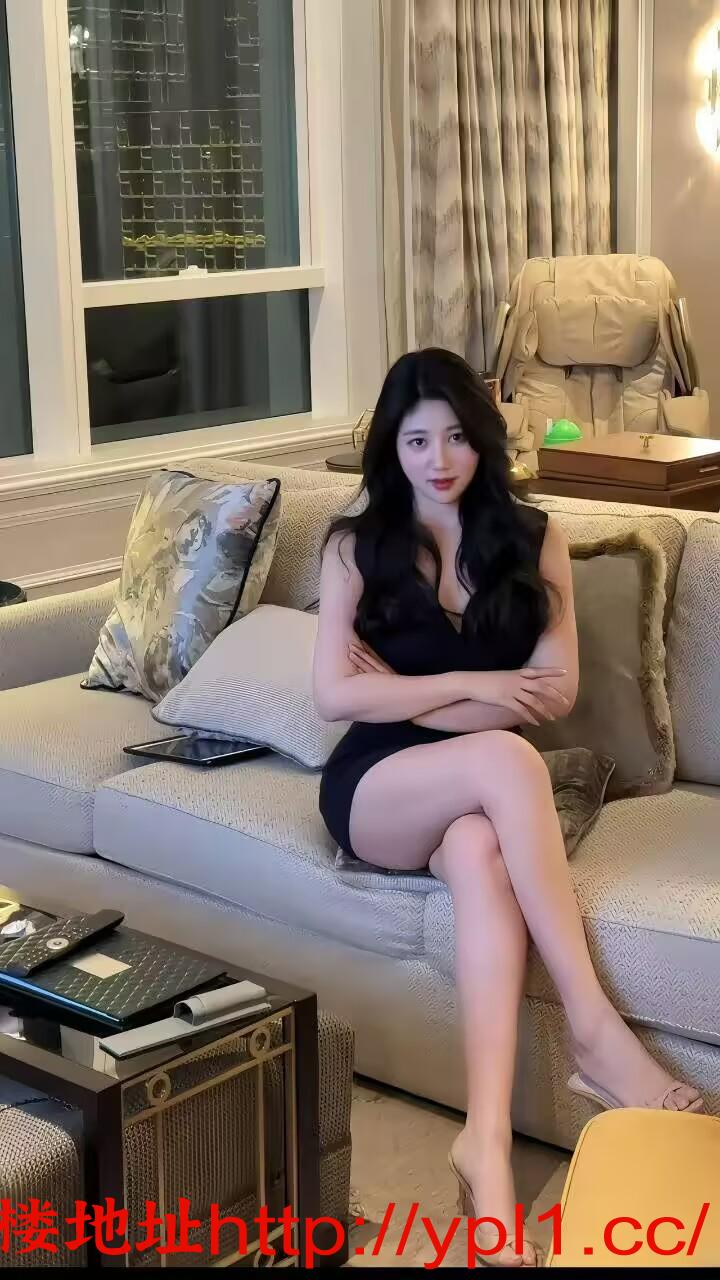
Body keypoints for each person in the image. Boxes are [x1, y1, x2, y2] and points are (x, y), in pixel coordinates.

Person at [312, 349, 703, 1268]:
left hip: (476, 788)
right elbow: (334, 697)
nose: (438, 459)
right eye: (416, 441)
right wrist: (482, 685)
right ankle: (595, 1029)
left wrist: (407, 690)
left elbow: (552, 691)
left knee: (484, 848)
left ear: (481, 439)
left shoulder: (535, 537)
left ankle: (482, 1147)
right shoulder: (354, 545)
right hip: (377, 788)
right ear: (391, 447)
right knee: (504, 755)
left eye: (454, 437)